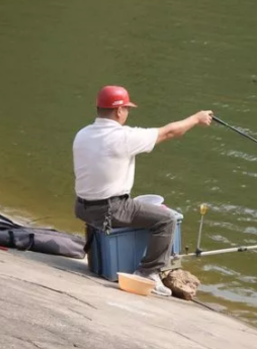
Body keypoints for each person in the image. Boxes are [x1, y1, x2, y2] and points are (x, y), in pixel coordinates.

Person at [73, 85, 213, 296]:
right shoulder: (122, 137)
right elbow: (171, 131)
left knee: (143, 207)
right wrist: (196, 118)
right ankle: (148, 272)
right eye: (127, 109)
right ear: (119, 110)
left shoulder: (83, 134)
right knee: (166, 219)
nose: (127, 113)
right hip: (110, 209)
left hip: (82, 207)